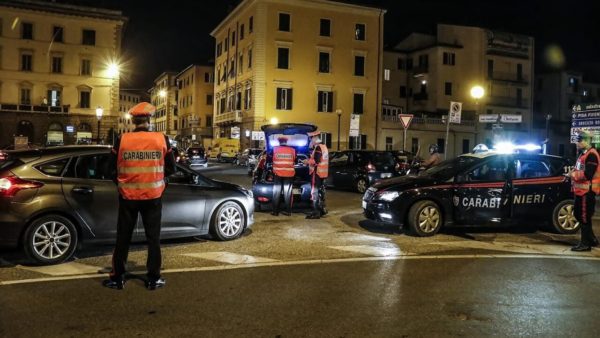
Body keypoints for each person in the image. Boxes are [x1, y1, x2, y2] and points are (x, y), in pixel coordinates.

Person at [103, 102, 176, 290]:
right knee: (153, 238)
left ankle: (118, 278)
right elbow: (171, 168)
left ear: (133, 121)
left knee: (123, 237)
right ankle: (153, 278)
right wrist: (160, 180)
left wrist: (121, 183)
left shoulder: (122, 139)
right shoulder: (162, 139)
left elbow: (109, 169)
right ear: (149, 120)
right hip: (153, 196)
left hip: (128, 197)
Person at [570, 131, 600, 251]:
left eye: (579, 140)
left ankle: (585, 244)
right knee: (579, 215)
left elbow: (588, 174)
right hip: (581, 191)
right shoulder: (584, 154)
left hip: (587, 192)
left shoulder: (592, 155)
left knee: (583, 217)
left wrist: (572, 175)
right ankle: (591, 239)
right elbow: (579, 168)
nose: (577, 143)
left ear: (587, 141)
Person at [305, 130, 329, 219]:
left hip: (317, 173)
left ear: (314, 138)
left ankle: (316, 212)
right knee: (321, 192)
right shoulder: (324, 146)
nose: (310, 140)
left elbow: (316, 161)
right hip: (323, 173)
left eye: (310, 138)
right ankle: (322, 210)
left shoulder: (318, 148)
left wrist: (307, 161)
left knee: (314, 192)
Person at [271, 137, 296, 216]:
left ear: (279, 142)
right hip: (289, 174)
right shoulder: (292, 150)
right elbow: (294, 159)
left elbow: (271, 159)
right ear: (286, 141)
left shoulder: (274, 149)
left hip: (278, 174)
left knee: (276, 193)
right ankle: (288, 211)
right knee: (287, 193)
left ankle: (275, 212)